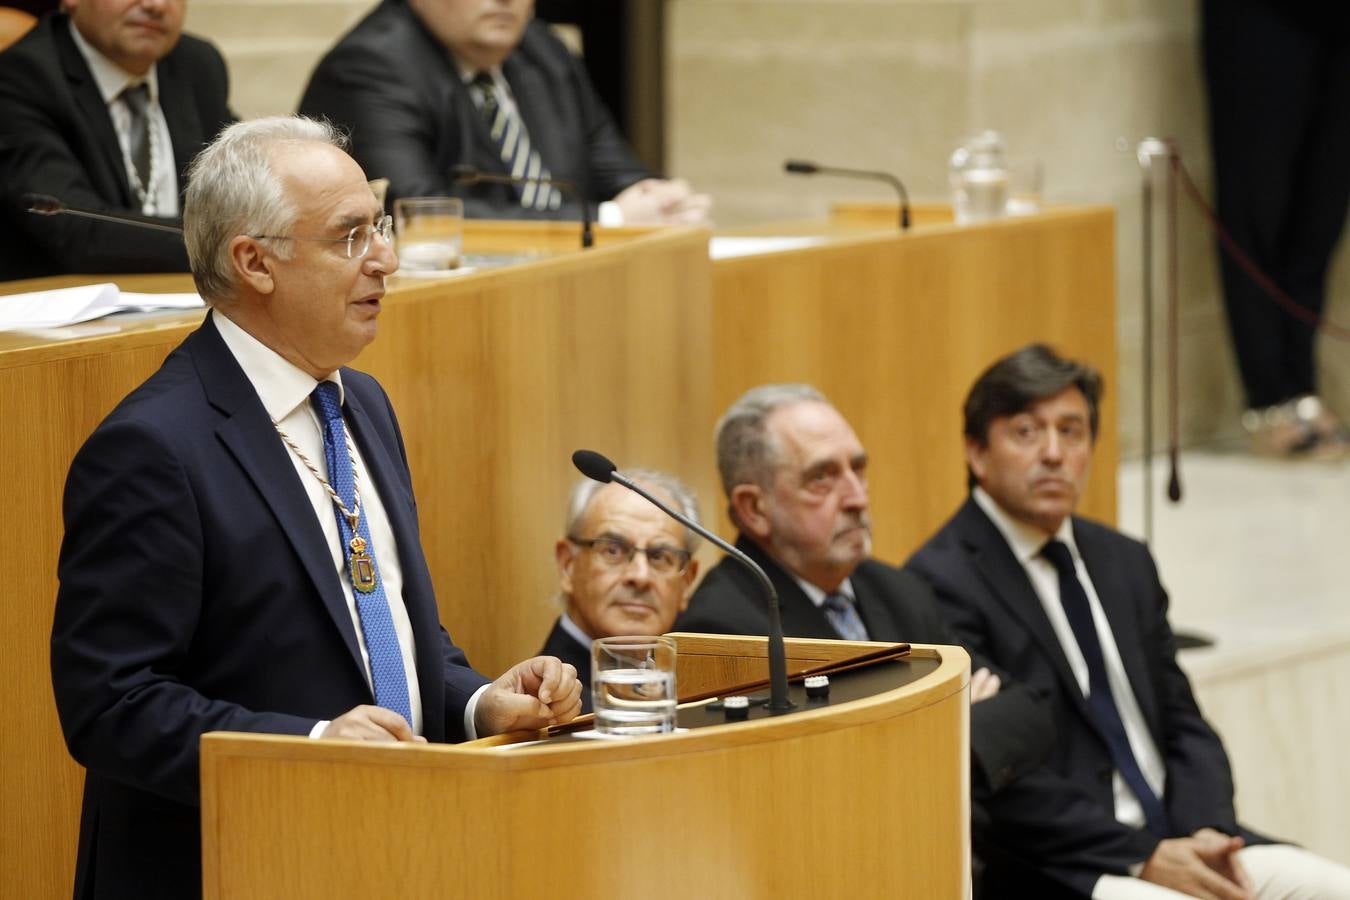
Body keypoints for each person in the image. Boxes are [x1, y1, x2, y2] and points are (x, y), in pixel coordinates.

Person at [49, 116, 581, 900]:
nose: (387, 260)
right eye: (351, 235)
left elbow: (384, 627)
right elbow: (111, 703)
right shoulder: (154, 447)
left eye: (382, 227)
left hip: (383, 851)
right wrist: (314, 745)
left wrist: (473, 702)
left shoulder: (359, 402)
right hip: (231, 865)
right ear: (254, 262)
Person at [905, 343, 1350, 898]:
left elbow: (1184, 722)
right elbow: (1005, 782)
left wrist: (1204, 832)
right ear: (976, 452)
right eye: (1026, 432)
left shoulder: (1123, 559)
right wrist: (1143, 856)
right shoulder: (935, 583)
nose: (1054, 453)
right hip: (1072, 865)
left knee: (1333, 887)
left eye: (1072, 432)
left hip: (1183, 837)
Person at [675, 383, 1053, 804]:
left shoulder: (898, 589)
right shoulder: (723, 630)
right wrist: (951, 723)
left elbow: (1030, 711)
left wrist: (930, 735)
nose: (856, 497)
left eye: (858, 469)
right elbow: (821, 781)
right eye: (822, 478)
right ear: (754, 509)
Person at [298, 0, 710, 225]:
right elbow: (419, 213)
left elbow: (616, 169)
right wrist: (611, 217)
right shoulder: (371, 64)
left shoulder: (543, 51)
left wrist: (664, 203)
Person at [1202, 1, 1350, 456]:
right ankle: (1269, 400)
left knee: (1322, 207)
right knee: (1256, 203)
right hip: (1260, 18)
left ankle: (1302, 390)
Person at [0, 0, 235, 280]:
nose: (155, 5)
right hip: (64, 310)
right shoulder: (23, 77)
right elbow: (77, 231)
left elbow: (242, 182)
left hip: (183, 299)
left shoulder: (196, 64)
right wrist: (229, 243)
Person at [540, 469, 701, 711]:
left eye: (659, 556)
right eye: (613, 550)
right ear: (567, 565)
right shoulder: (545, 705)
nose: (640, 576)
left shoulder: (700, 692)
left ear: (686, 582)